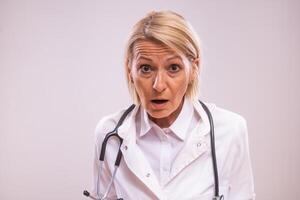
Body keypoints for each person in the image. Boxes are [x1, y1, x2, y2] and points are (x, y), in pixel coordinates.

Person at [90, 10, 255, 200]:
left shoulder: (229, 130)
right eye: (146, 68)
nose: (158, 85)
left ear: (194, 69)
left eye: (173, 68)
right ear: (130, 71)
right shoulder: (109, 135)